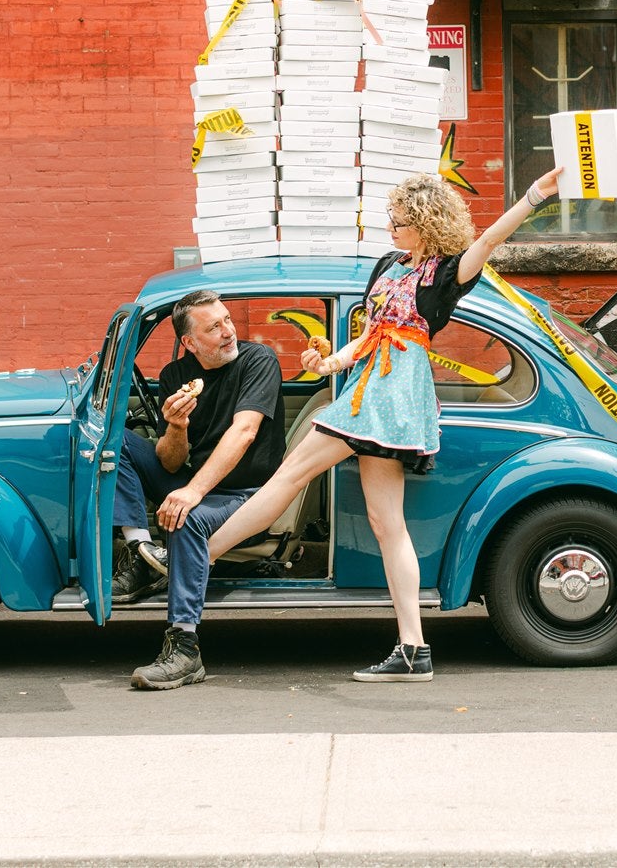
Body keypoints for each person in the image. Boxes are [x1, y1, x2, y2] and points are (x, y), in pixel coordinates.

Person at [197, 167, 563, 683]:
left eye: (398, 221)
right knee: (386, 524)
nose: (390, 228)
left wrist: (534, 195)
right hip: (371, 391)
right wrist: (329, 365)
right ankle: (414, 649)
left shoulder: (444, 276)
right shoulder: (388, 266)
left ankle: (198, 556)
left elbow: (488, 239)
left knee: (289, 476)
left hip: (388, 398)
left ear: (424, 224)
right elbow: (369, 336)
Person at [112, 289, 285, 691]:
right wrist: (177, 426)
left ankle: (184, 648)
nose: (228, 331)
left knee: (187, 516)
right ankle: (140, 553)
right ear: (189, 342)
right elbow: (171, 462)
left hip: (247, 495)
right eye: (215, 327)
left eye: (227, 320)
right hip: (196, 480)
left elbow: (244, 432)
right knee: (114, 439)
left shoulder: (258, 359)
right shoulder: (175, 376)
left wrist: (191, 492)